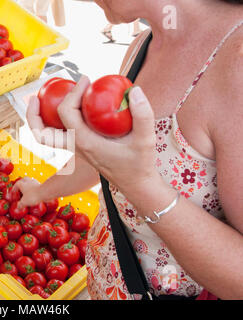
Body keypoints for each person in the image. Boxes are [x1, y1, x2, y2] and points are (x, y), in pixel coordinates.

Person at [15, 0, 243, 300]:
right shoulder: (143, 45)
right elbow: (107, 161)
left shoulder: (236, 64)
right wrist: (42, 192)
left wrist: (141, 185)